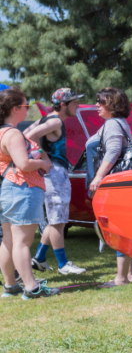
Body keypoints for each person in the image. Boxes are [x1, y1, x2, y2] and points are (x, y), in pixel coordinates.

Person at [0, 86, 59, 299]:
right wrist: (43, 163)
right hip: (22, 189)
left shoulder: (2, 132)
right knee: (22, 242)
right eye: (26, 106)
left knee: (8, 240)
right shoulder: (13, 133)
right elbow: (24, 164)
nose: (28, 109)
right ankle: (31, 287)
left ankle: (10, 285)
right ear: (15, 108)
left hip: (8, 189)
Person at [24, 88, 87, 275]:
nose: (77, 105)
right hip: (54, 173)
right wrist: (45, 159)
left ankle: (40, 258)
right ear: (63, 104)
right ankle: (63, 265)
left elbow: (26, 133)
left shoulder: (46, 119)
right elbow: (28, 137)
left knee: (54, 220)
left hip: (51, 174)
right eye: (74, 102)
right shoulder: (55, 120)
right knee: (58, 221)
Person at [89, 87, 132, 287]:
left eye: (101, 102)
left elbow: (114, 150)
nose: (96, 105)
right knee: (126, 225)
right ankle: (130, 274)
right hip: (124, 181)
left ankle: (121, 278)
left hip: (115, 182)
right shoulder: (117, 123)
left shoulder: (112, 124)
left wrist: (99, 176)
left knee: (117, 227)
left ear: (111, 104)